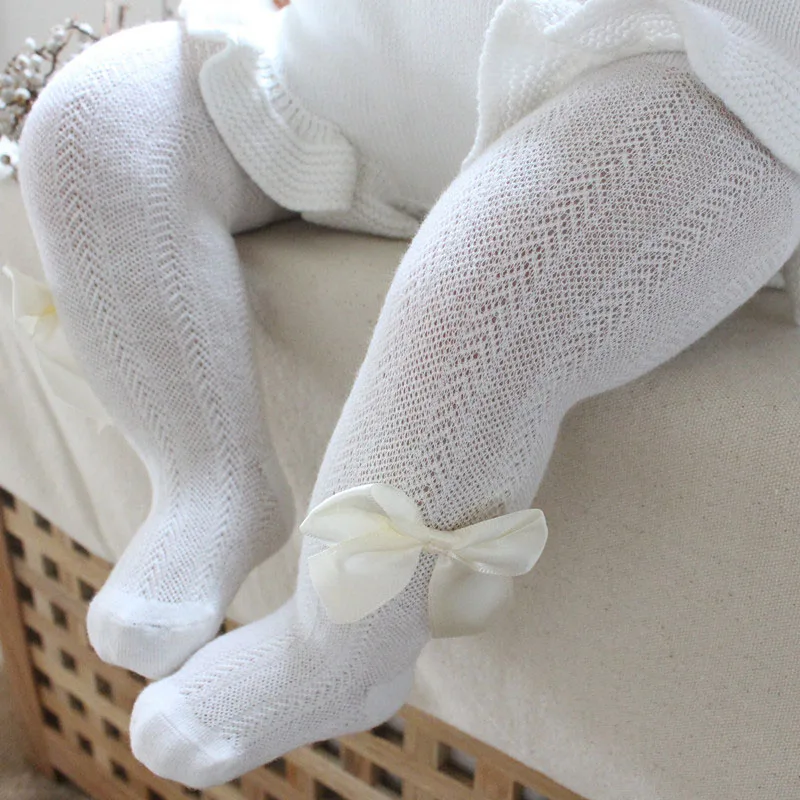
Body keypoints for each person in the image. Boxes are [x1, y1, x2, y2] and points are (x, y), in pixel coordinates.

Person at [18, 0, 800, 788]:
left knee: (506, 271)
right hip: (374, 58)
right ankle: (207, 482)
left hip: (693, 55)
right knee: (92, 119)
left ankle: (341, 648)